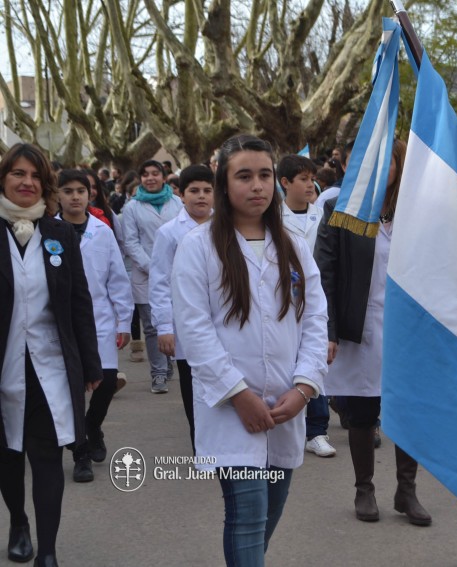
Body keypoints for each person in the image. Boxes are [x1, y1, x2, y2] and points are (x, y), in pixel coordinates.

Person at [172, 135, 327, 566]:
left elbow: (314, 318)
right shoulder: (198, 247)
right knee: (247, 515)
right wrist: (238, 395)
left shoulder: (292, 244)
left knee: (269, 512)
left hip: (285, 406)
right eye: (244, 176)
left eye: (264, 175)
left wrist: (305, 387)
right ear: (224, 183)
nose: (257, 186)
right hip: (230, 408)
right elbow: (196, 330)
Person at [315, 139, 433, 527]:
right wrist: (328, 330)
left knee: (411, 412)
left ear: (401, 166)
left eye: (391, 162)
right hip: (361, 330)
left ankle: (406, 490)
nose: (383, 169)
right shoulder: (340, 209)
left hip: (408, 330)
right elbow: (324, 274)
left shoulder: (417, 212)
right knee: (363, 412)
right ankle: (364, 489)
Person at [0, 143, 103, 567]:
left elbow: (80, 301)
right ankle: (18, 521)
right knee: (8, 456)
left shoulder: (59, 234)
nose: (27, 182)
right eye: (17, 174)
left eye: (36, 176)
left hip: (50, 367)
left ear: (46, 184)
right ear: (4, 178)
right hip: (4, 366)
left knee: (46, 456)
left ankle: (47, 550)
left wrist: (92, 363)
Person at [56, 170, 133, 482]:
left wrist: (124, 321)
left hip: (100, 320)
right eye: (68, 191)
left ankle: (93, 424)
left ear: (90, 195)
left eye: (82, 191)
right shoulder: (49, 232)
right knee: (72, 390)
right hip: (62, 324)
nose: (75, 196)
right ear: (57, 195)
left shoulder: (102, 232)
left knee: (107, 381)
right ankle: (81, 453)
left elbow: (117, 278)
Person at [149, 165, 214, 452]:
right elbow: (160, 281)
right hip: (185, 323)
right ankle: (200, 446)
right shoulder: (169, 233)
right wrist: (164, 328)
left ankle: (224, 446)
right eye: (194, 191)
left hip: (223, 321)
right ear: (181, 194)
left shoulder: (228, 226)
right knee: (193, 388)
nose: (201, 197)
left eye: (207, 191)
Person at [277, 154, 335, 458]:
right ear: (285, 183)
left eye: (312, 178)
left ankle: (317, 430)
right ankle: (291, 422)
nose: (310, 184)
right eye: (302, 179)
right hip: (284, 298)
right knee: (288, 360)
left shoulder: (323, 215)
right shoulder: (273, 219)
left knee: (315, 356)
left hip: (316, 296)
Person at [122, 159, 183, 393]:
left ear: (163, 176)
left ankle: (167, 361)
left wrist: (173, 265)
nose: (150, 178)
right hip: (144, 274)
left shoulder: (177, 203)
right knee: (151, 326)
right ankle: (158, 372)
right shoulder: (132, 207)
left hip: (177, 271)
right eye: (145, 174)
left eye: (155, 173)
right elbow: (131, 241)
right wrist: (153, 266)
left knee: (172, 322)